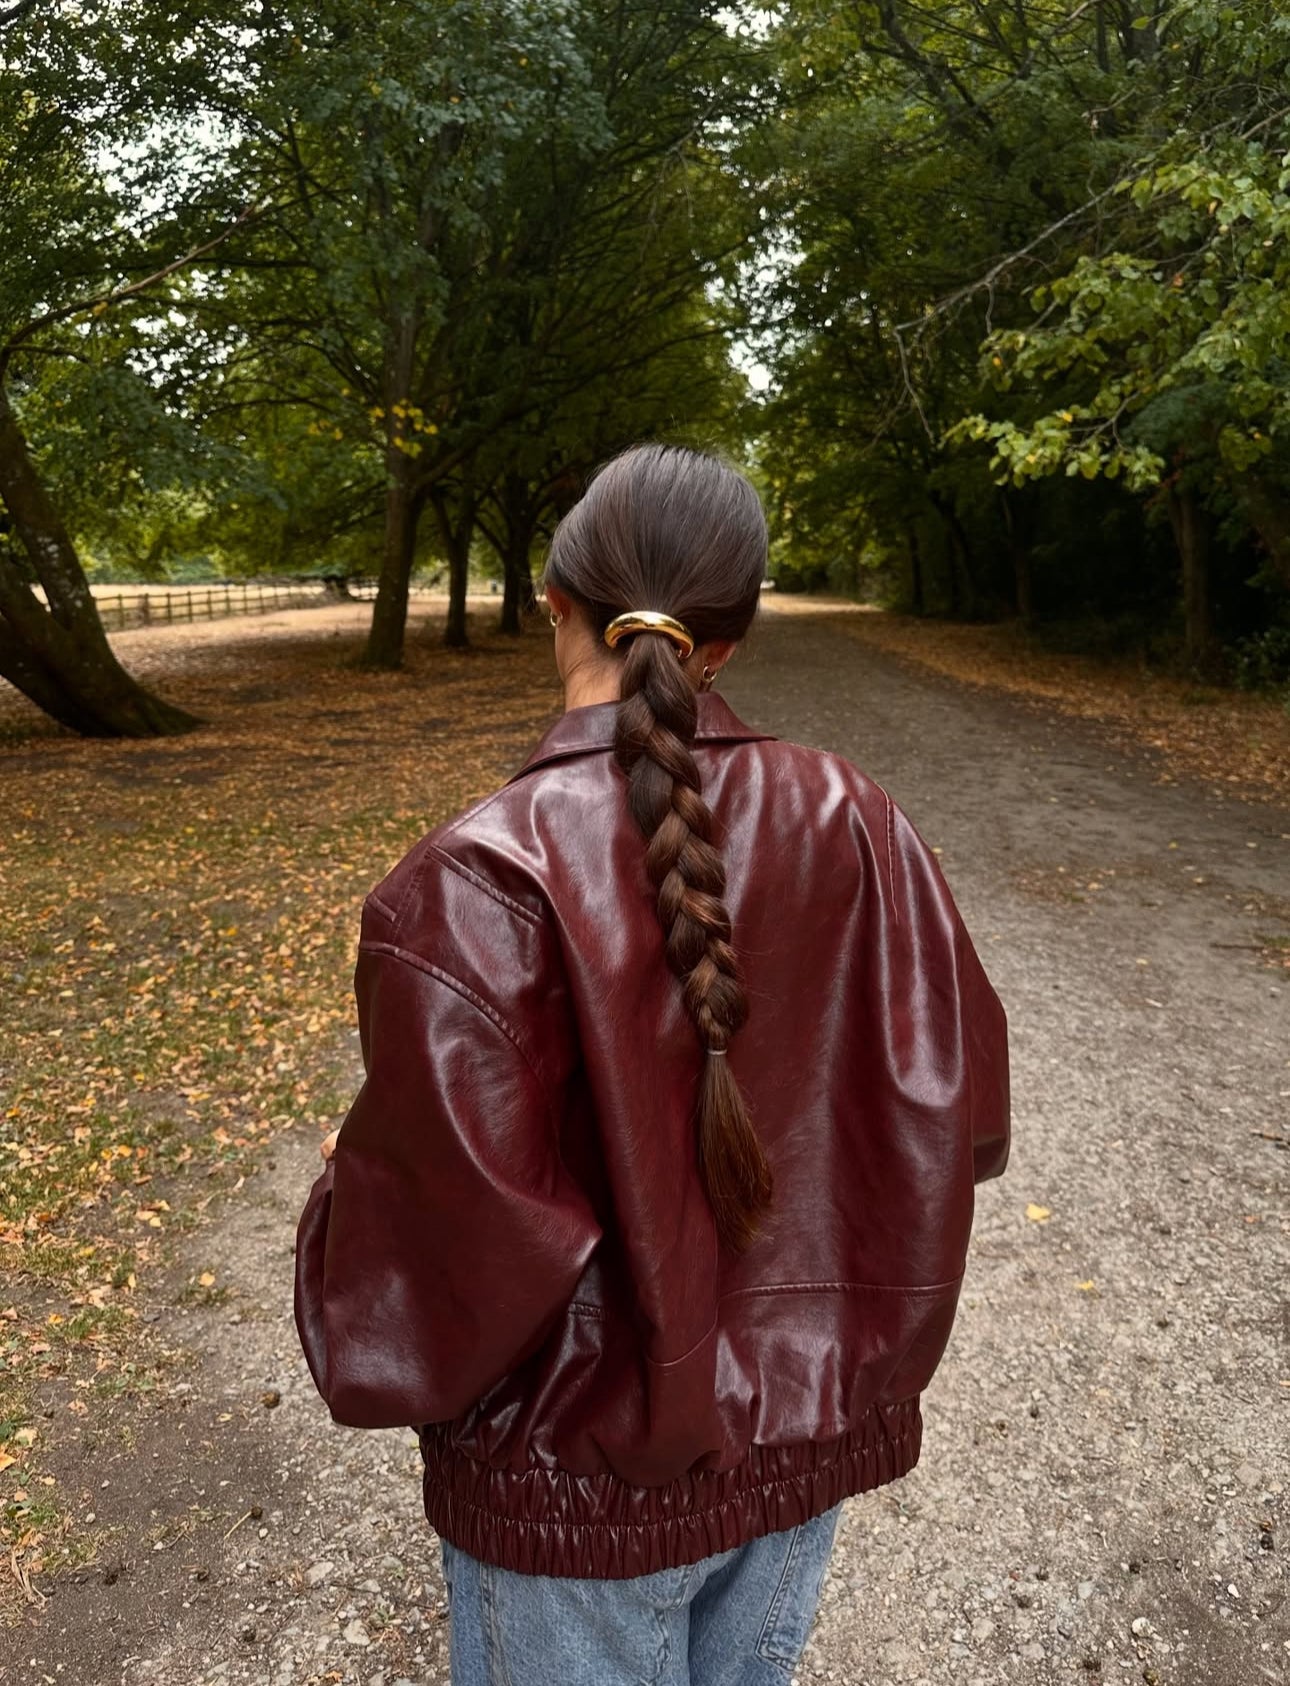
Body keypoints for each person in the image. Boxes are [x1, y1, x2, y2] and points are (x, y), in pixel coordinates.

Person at [294, 443, 1010, 1686]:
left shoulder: (473, 880)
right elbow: (966, 1121)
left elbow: (441, 1282)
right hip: (798, 1447)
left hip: (574, 1485)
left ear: (553, 601)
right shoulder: (861, 820)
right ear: (726, 645)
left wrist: (347, 1198)